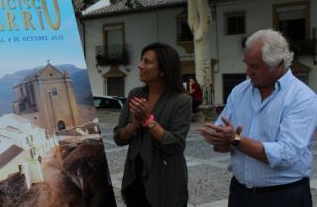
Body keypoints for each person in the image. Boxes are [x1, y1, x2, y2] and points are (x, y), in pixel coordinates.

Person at [199, 29, 317, 207]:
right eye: (246, 64)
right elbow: (223, 141)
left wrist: (235, 139)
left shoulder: (302, 97)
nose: (247, 72)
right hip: (241, 194)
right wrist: (219, 139)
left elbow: (286, 154)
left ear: (278, 65)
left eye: (254, 66)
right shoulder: (240, 92)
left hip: (284, 197)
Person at [113, 43, 192, 206]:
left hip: (165, 182)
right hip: (135, 179)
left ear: (163, 69)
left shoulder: (181, 100)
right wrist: (134, 125)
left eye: (147, 62)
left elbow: (176, 144)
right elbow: (118, 137)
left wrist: (148, 120)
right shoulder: (135, 94)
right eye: (142, 60)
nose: (140, 65)